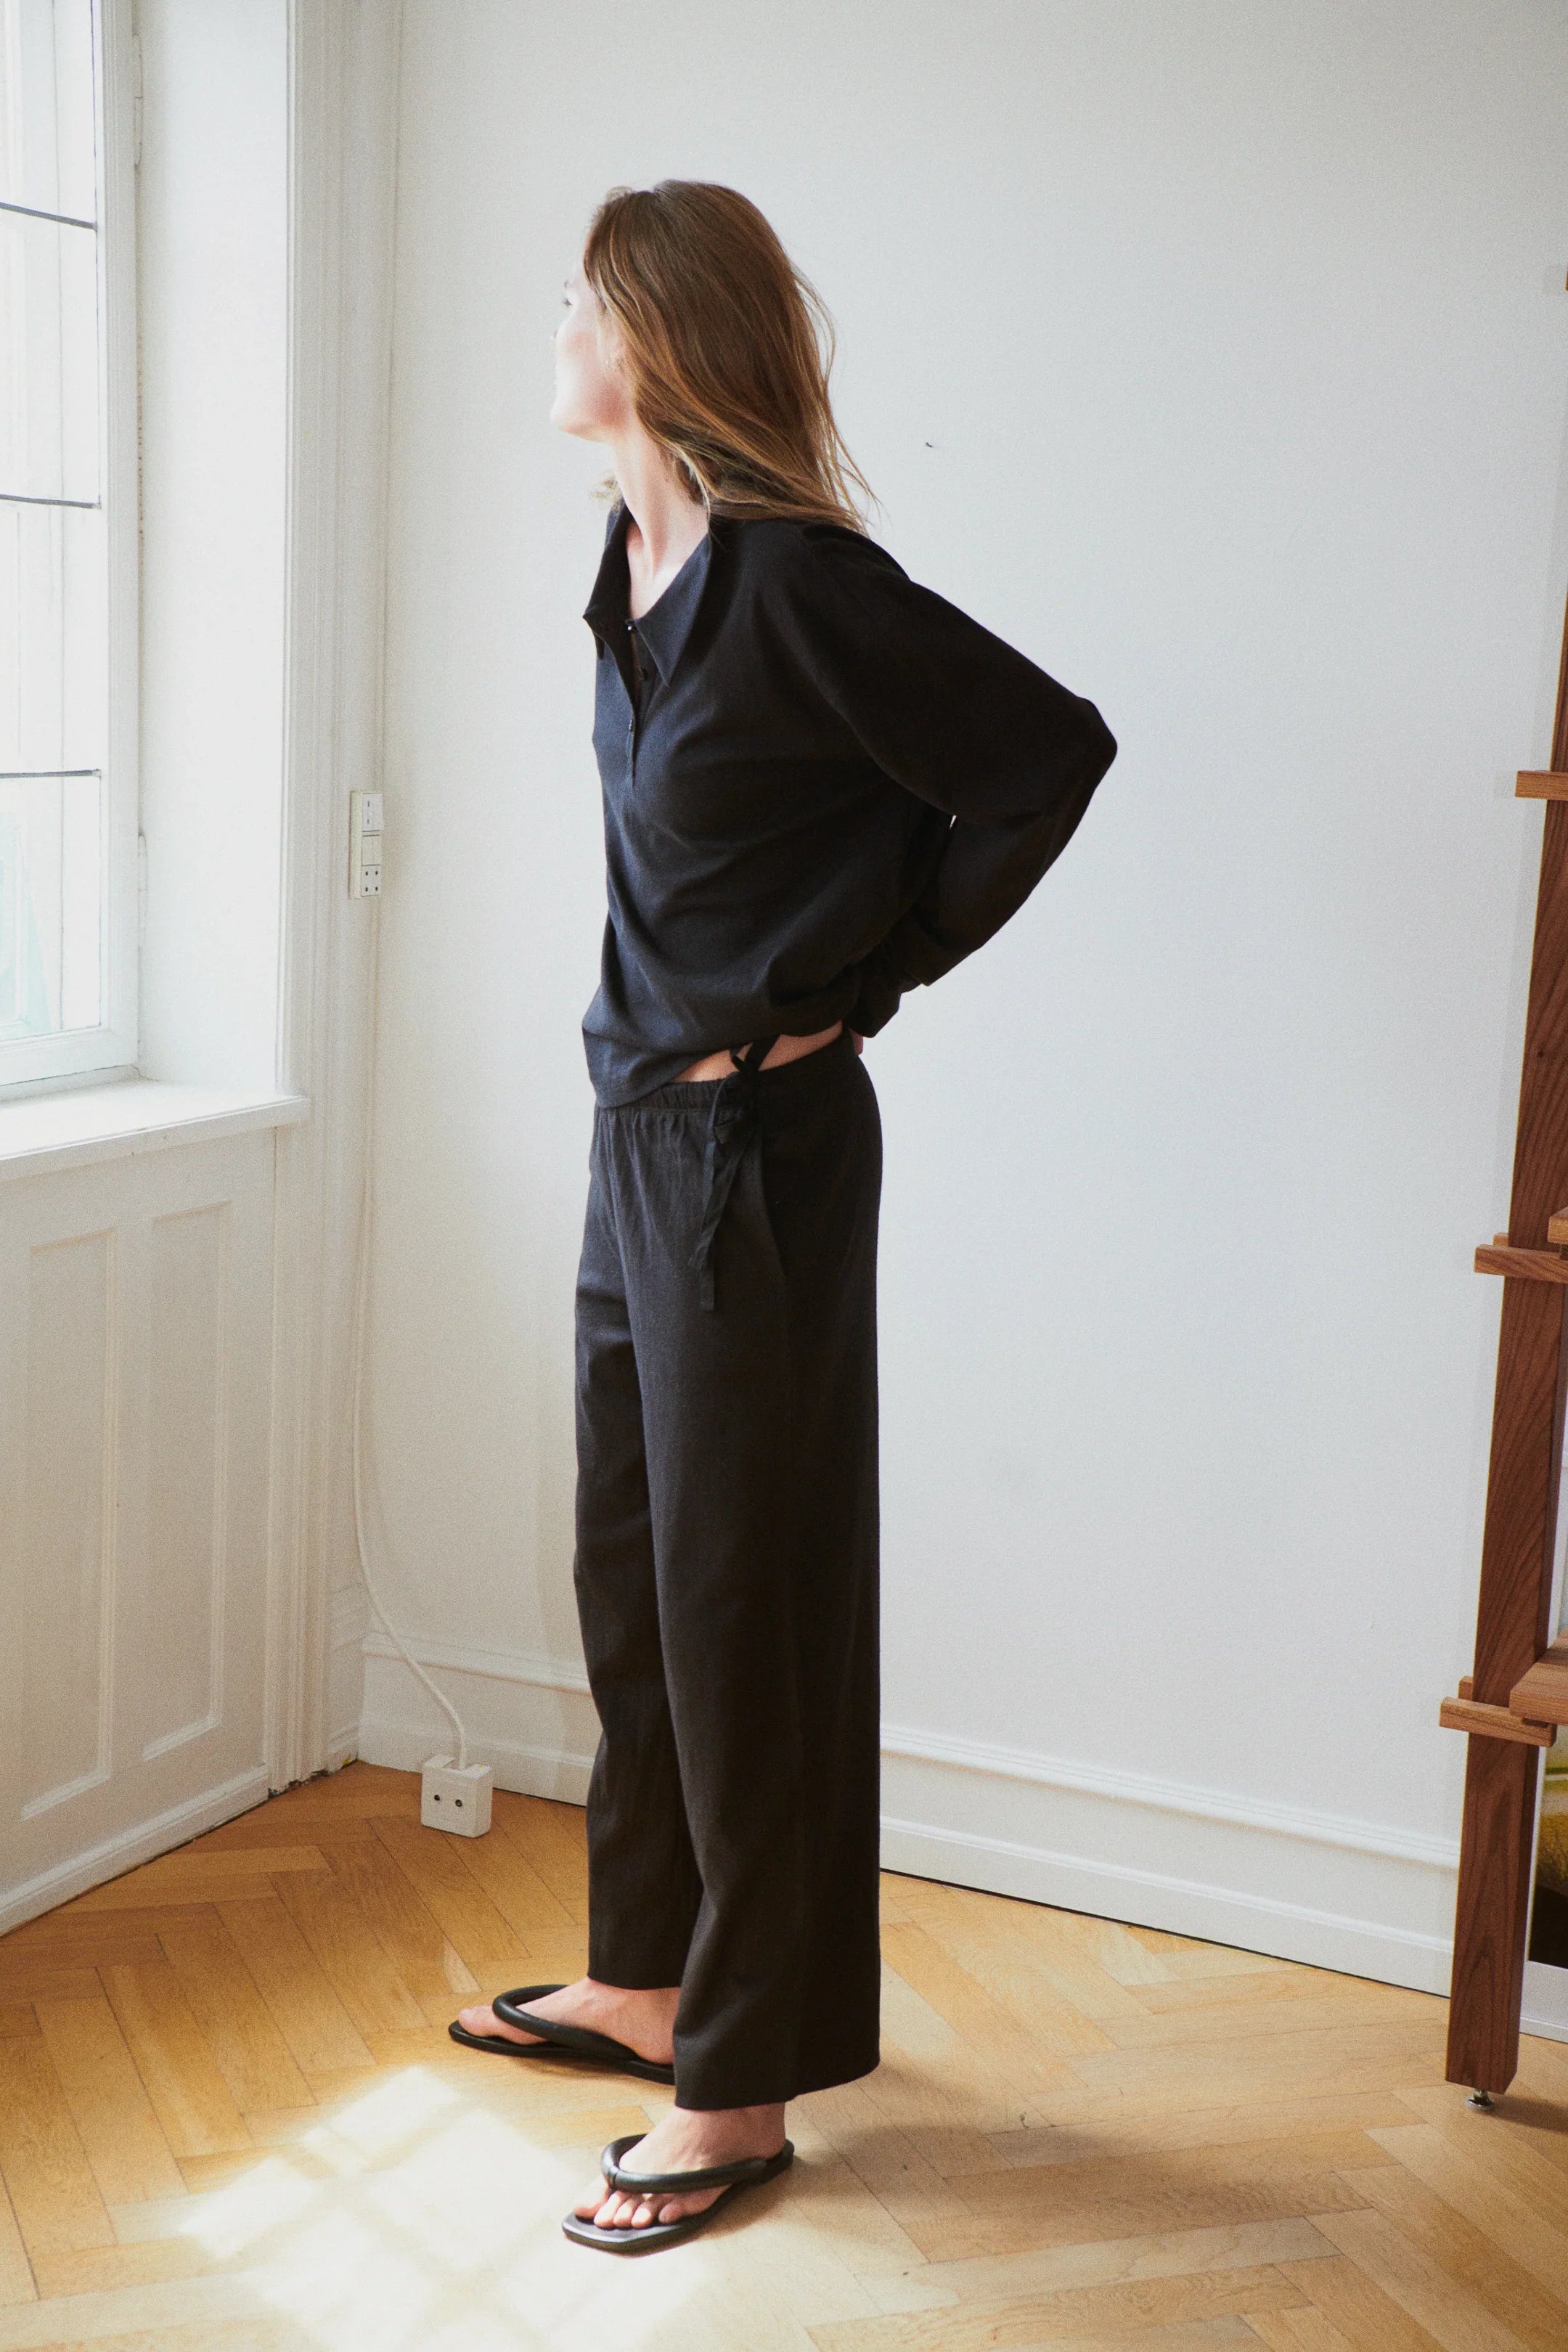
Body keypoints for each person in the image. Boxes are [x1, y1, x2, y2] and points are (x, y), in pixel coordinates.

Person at [451, 179, 1115, 2253]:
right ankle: (653, 1978)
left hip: (760, 1153)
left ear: (656, 338)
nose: (557, 328)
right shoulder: (627, 569)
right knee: (638, 1579)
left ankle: (740, 2084)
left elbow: (1048, 756)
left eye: (582, 301)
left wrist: (871, 966)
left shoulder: (800, 585)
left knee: (748, 1604)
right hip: (634, 1133)